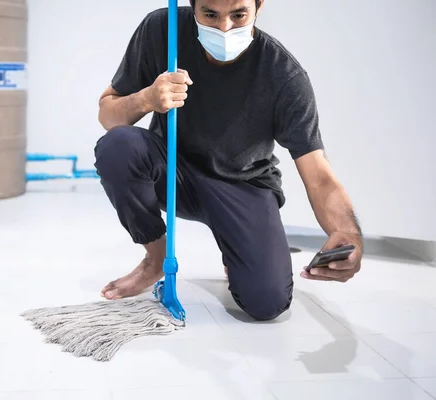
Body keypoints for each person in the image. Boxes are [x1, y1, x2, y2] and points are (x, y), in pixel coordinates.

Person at [93, 0, 364, 321]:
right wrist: (147, 98)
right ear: (191, 7)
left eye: (238, 15)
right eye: (210, 14)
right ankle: (155, 259)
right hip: (173, 173)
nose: (224, 28)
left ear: (259, 6)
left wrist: (349, 232)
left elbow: (319, 175)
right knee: (117, 147)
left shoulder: (284, 75)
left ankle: (237, 248)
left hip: (244, 186)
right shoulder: (161, 30)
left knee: (267, 303)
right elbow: (108, 115)